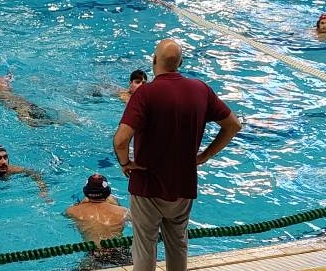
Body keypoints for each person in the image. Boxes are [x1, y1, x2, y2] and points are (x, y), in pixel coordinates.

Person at [113, 39, 241, 271]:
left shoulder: (145, 93)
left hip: (147, 185)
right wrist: (204, 156)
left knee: (144, 247)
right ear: (180, 63)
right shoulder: (201, 89)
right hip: (183, 183)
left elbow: (121, 140)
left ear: (154, 60)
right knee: (178, 244)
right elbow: (233, 125)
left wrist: (125, 163)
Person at [65, 174, 131, 270]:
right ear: (107, 192)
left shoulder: (72, 211)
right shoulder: (123, 212)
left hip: (94, 256)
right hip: (120, 253)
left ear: (86, 192)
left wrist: (81, 203)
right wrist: (115, 204)